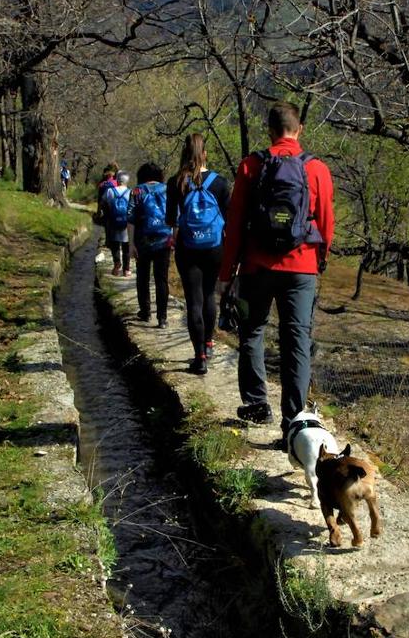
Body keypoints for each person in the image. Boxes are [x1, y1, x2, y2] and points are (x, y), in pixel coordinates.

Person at [218, 102, 334, 439]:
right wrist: (319, 259)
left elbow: (235, 224)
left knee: (252, 332)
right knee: (296, 341)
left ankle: (256, 404)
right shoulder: (317, 169)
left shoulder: (252, 165)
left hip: (257, 265)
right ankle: (292, 424)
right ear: (299, 130)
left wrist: (227, 274)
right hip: (302, 268)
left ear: (269, 131)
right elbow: (326, 222)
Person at [168, 134, 231, 375]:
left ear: (184, 154)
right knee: (209, 296)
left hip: (188, 248)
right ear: (205, 154)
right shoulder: (220, 182)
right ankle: (209, 342)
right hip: (215, 248)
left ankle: (200, 358)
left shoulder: (176, 183)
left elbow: (170, 220)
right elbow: (228, 219)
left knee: (193, 301)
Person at [128, 162, 171, 328]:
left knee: (143, 277)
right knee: (162, 279)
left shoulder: (137, 190)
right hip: (164, 240)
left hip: (142, 241)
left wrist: (131, 244)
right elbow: (175, 215)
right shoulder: (167, 189)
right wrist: (174, 238)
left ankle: (145, 312)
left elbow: (130, 219)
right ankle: (162, 318)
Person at [98, 170, 132, 276]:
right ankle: (126, 270)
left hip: (112, 222)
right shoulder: (131, 192)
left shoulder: (110, 191)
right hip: (127, 223)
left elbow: (103, 203)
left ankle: (116, 266)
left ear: (117, 180)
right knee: (126, 246)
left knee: (115, 245)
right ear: (127, 181)